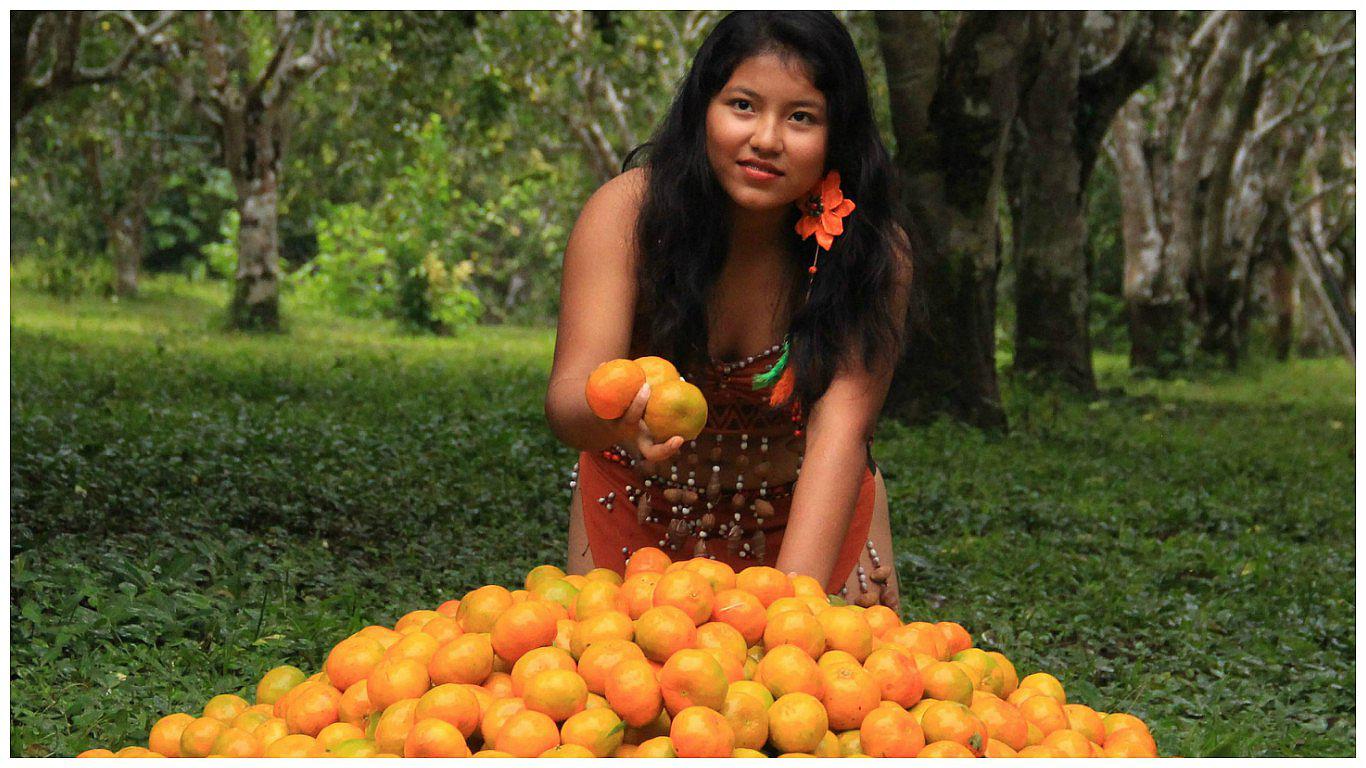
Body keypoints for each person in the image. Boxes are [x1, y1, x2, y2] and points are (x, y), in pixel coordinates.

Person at [544, 11, 912, 608]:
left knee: (817, 698)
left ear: (836, 134)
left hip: (808, 521)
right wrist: (616, 416)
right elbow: (564, 404)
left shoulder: (872, 253)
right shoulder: (626, 218)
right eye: (742, 105)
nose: (766, 139)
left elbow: (839, 436)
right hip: (635, 513)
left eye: (801, 117)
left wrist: (788, 617)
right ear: (702, 110)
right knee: (624, 696)